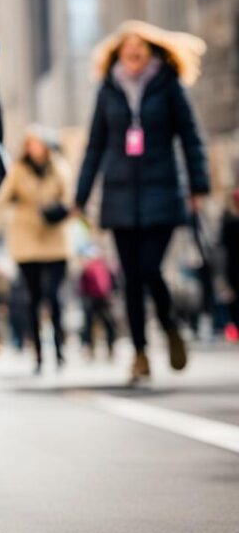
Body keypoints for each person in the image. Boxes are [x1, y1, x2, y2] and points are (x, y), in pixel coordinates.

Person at [75, 21, 210, 383]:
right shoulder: (107, 90)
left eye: (140, 47)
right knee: (131, 279)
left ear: (151, 52)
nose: (133, 52)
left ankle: (169, 325)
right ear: (118, 54)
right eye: (126, 47)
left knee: (150, 268)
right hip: (119, 195)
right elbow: (94, 146)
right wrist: (81, 196)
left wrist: (198, 186)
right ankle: (139, 353)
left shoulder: (168, 85)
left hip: (162, 189)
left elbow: (191, 137)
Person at [0, 127, 72, 373]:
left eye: (38, 143)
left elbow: (69, 196)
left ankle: (60, 350)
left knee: (54, 297)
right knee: (33, 299)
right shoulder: (17, 170)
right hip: (27, 240)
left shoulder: (58, 166)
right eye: (31, 143)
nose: (35, 148)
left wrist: (59, 209)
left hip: (55, 238)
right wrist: (17, 205)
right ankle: (39, 354)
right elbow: (3, 198)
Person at [78, 247, 116, 359]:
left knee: (98, 324)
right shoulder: (100, 267)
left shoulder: (93, 268)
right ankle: (94, 348)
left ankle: (102, 348)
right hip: (98, 299)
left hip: (100, 299)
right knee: (99, 324)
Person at [220, 186, 239, 337]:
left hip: (232, 264)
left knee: (234, 297)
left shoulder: (228, 220)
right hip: (233, 265)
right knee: (234, 297)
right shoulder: (228, 219)